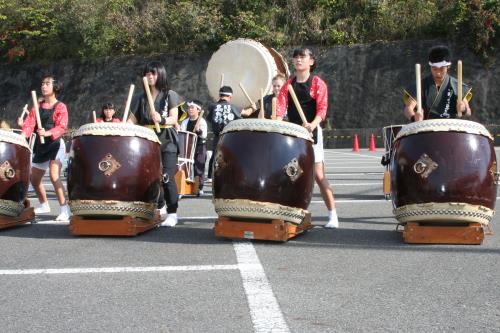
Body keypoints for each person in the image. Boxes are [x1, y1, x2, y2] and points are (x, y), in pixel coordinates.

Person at [276, 47, 339, 228]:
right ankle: (290, 212)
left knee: (319, 176)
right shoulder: (288, 85)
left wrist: (313, 124)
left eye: (302, 57)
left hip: (311, 132)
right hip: (294, 135)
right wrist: (278, 123)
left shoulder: (318, 83)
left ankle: (332, 215)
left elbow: (322, 109)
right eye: (295, 57)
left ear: (311, 61)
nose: (298, 60)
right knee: (290, 173)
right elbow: (280, 109)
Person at [127, 61, 183, 227]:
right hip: (147, 139)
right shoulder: (140, 97)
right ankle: (158, 206)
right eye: (147, 74)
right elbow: (131, 120)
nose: (149, 76)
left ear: (160, 74)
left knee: (166, 176)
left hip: (167, 138)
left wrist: (162, 119)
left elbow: (174, 118)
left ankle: (172, 212)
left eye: (153, 73)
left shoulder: (169, 95)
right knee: (148, 176)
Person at [18, 74, 70, 221]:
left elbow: (61, 127)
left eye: (47, 83)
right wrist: (22, 137)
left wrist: (47, 132)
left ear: (55, 87)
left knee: (54, 177)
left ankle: (64, 209)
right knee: (34, 179)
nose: (43, 86)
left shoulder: (61, 106)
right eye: (42, 83)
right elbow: (29, 124)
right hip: (41, 146)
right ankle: (44, 204)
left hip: (55, 145)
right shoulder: (37, 107)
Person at [403, 45, 472, 121]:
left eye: (441, 69)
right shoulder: (420, 85)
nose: (438, 73)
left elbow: (469, 112)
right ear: (430, 67)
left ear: (448, 66)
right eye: (434, 69)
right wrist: (414, 118)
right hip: (426, 128)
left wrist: (464, 109)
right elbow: (408, 108)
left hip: (451, 128)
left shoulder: (457, 86)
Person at [206, 86, 252, 182]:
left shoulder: (212, 106)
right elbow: (247, 113)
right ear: (230, 97)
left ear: (220, 95)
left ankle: (210, 177)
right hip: (229, 137)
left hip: (217, 136)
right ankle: (228, 177)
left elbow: (210, 119)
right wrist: (253, 107)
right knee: (229, 157)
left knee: (215, 156)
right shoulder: (233, 107)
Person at [180, 100, 208, 195]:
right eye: (189, 108)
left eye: (192, 108)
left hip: (199, 147)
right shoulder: (185, 122)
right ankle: (184, 187)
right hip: (188, 147)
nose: (190, 109)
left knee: (199, 167)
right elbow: (183, 134)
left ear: (198, 110)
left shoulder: (202, 121)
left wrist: (198, 130)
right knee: (184, 166)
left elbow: (204, 135)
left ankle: (199, 188)